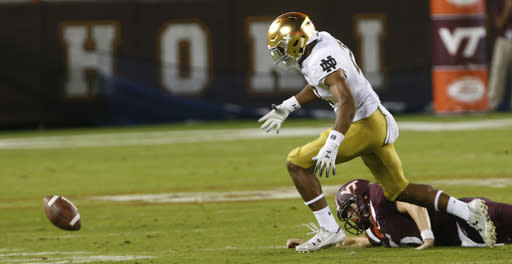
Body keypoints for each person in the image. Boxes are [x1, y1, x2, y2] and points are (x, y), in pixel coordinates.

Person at [257, 12, 496, 252]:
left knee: (296, 163)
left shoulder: (320, 57)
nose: (281, 55)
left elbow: (346, 101)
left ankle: (329, 229)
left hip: (364, 126)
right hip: (376, 119)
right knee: (400, 189)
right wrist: (290, 105)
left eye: (282, 48)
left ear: (298, 41)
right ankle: (469, 211)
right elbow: (321, 83)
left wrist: (333, 141)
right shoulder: (320, 43)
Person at [287, 179, 512, 249]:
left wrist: (428, 237)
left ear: (362, 198)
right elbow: (355, 241)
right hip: (467, 240)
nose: (353, 217)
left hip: (471, 221)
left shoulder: (378, 196)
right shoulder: (375, 227)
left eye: (351, 209)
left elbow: (415, 205)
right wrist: (314, 242)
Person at [488, 0, 512, 110]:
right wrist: (508, 7)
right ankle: (492, 104)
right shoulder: (499, 2)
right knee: (498, 72)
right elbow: (499, 24)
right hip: (504, 40)